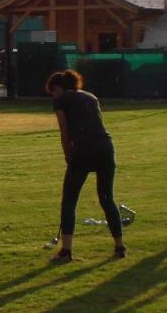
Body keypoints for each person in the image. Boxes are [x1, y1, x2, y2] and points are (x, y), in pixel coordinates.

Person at [46, 69, 126, 261]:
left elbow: (64, 133)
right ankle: (119, 247)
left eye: (53, 91)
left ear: (58, 88)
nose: (53, 95)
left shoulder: (61, 101)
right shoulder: (91, 97)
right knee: (107, 199)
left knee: (69, 201)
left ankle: (66, 251)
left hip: (83, 150)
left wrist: (68, 156)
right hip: (105, 148)